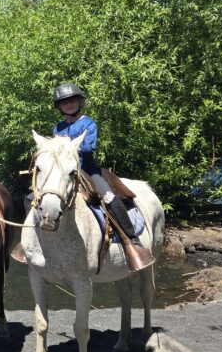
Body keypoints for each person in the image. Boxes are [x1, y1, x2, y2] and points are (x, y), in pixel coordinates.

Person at [45, 82, 154, 271]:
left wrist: (69, 144)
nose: (69, 104)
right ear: (59, 106)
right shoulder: (58, 127)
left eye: (72, 101)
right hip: (64, 172)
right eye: (64, 102)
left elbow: (89, 147)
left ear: (80, 102)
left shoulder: (88, 123)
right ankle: (32, 240)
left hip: (88, 170)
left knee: (108, 196)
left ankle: (131, 241)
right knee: (36, 195)